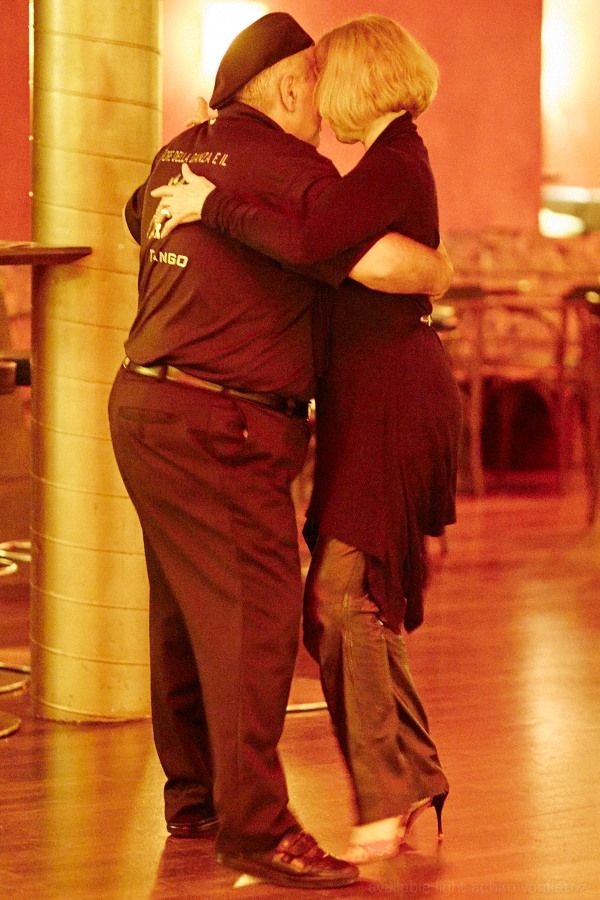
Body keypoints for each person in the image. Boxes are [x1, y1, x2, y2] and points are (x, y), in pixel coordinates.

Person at [109, 12, 452, 891]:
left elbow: (138, 215)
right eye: (316, 82)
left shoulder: (179, 153)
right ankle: (258, 830)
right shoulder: (293, 171)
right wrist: (439, 271)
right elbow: (386, 262)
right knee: (255, 623)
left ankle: (197, 798)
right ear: (295, 86)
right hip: (223, 422)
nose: (323, 104)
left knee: (182, 613)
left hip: (144, 403)